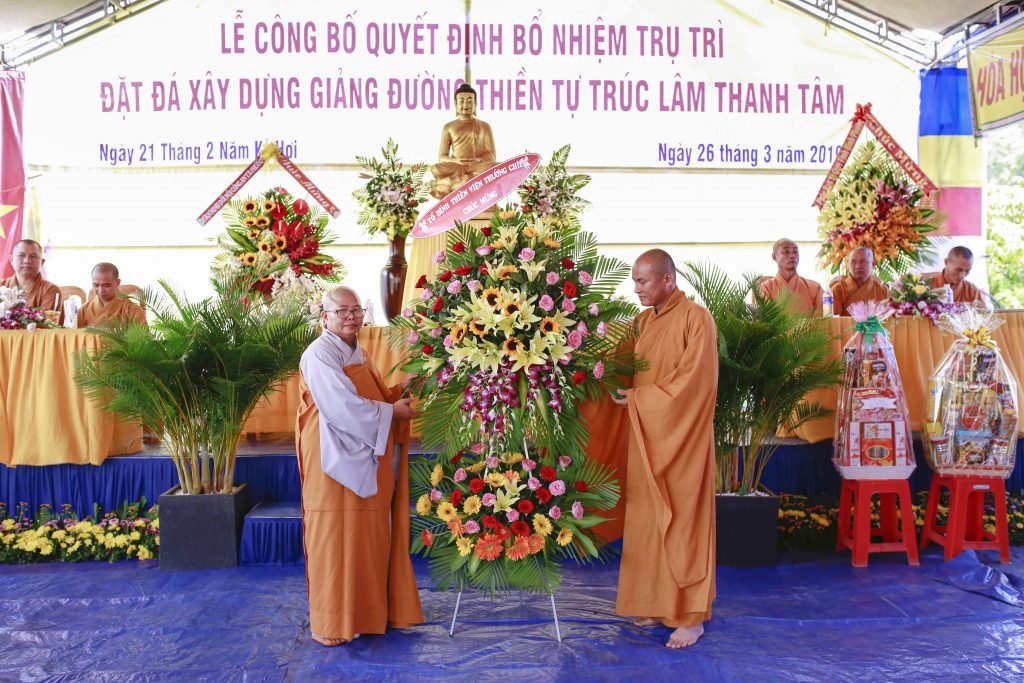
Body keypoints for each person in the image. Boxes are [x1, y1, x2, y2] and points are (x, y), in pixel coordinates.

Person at [295, 286, 423, 646]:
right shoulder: (319, 354)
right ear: (325, 317)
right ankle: (329, 623)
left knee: (367, 537)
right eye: (342, 311)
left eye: (356, 310)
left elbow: (371, 398)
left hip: (363, 453)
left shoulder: (359, 352)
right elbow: (341, 407)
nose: (351, 317)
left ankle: (368, 614)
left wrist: (400, 390)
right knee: (334, 538)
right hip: (331, 455)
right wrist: (391, 412)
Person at [611, 249, 717, 649]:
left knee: (684, 522)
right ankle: (656, 603)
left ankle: (691, 617)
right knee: (648, 522)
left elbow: (695, 383)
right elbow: (622, 365)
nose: (636, 289)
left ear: (667, 279)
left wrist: (640, 399)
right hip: (647, 436)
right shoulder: (642, 322)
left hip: (683, 440)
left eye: (642, 281)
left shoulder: (696, 319)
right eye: (635, 282)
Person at [428, 83, 497, 198]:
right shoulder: (448, 127)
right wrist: (456, 161)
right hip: (457, 165)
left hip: (477, 166)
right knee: (435, 169)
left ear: (475, 104)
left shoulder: (485, 126)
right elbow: (442, 157)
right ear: (455, 104)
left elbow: (492, 156)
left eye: (470, 101)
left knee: (494, 166)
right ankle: (466, 179)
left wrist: (478, 160)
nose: (465, 104)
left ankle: (459, 180)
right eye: (461, 101)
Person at [759, 238, 823, 315]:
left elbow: (824, 318)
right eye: (786, 252)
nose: (792, 256)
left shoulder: (815, 288)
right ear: (774, 257)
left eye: (795, 252)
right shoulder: (766, 287)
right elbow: (764, 319)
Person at [1, 239, 61, 316]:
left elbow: (47, 322)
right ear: (12, 260)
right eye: (21, 255)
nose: (27, 261)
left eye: (33, 256)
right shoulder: (1, 286)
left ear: (42, 262)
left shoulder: (50, 290)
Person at [77, 262, 146, 327]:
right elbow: (77, 334)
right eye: (96, 285)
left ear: (118, 282)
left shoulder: (132, 309)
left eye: (106, 285)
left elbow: (143, 335)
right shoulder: (83, 310)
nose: (101, 290)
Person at [830, 247, 891, 316]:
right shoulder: (838, 290)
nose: (858, 266)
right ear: (848, 265)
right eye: (853, 262)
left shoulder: (883, 291)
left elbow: (891, 318)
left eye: (863, 262)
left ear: (873, 264)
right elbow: (834, 320)